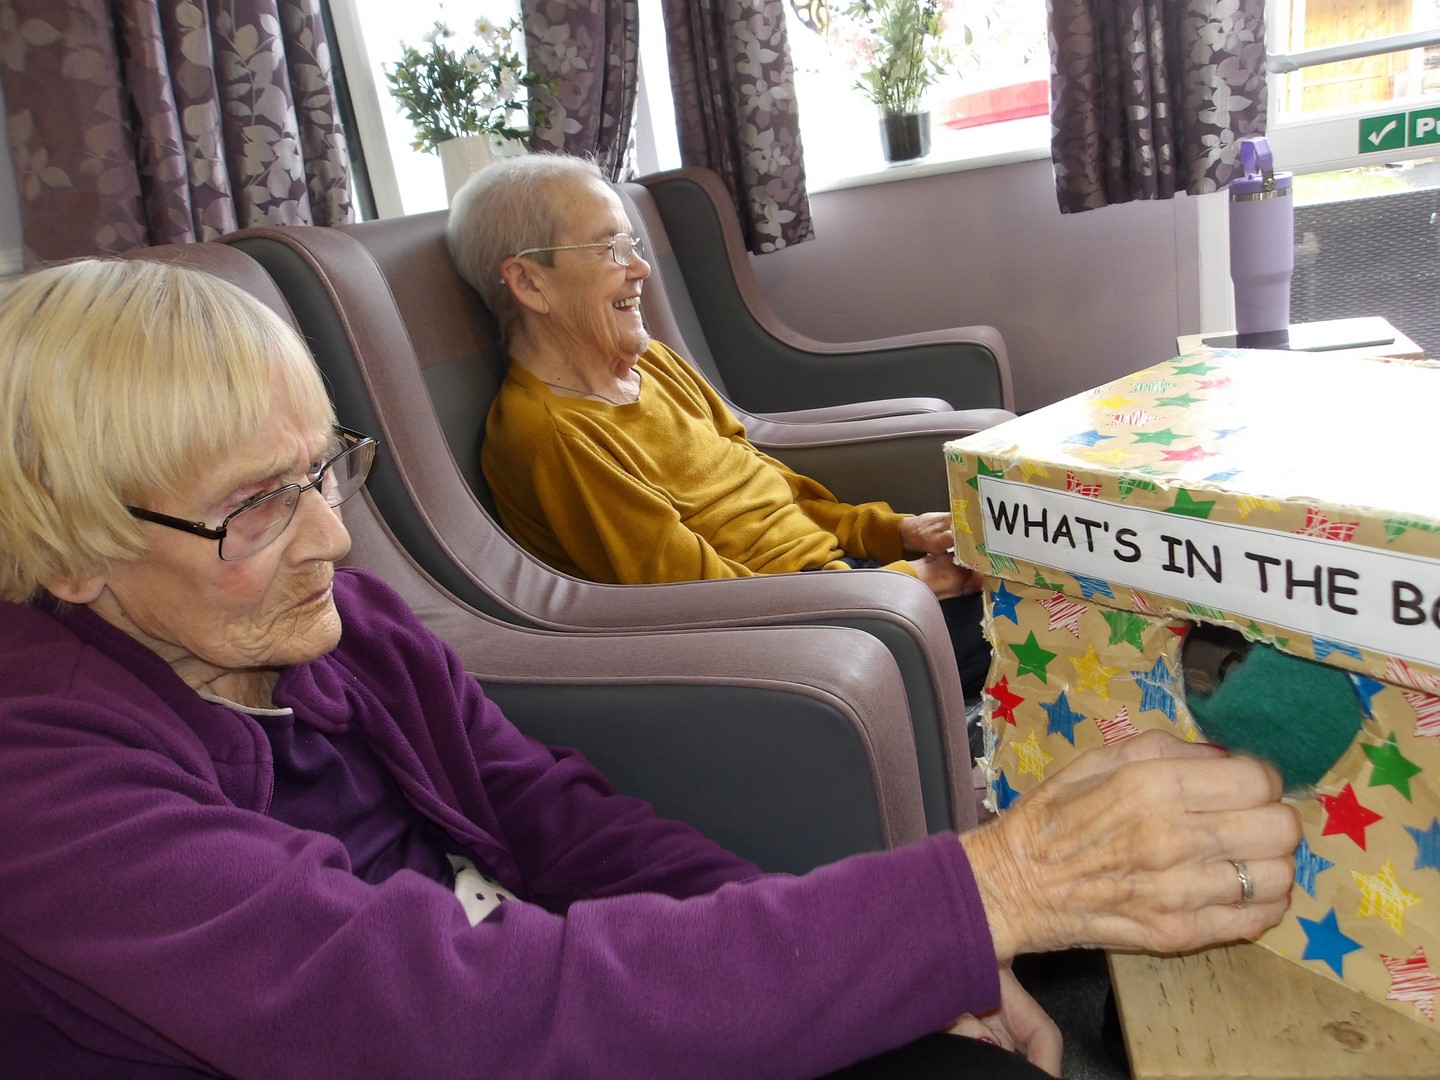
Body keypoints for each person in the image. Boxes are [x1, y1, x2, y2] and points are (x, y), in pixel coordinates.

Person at [0, 257, 1302, 1080]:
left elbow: (557, 820)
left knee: (1011, 1024)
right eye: (256, 507)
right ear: (72, 554)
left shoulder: (340, 628)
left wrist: (915, 965)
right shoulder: (40, 787)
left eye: (322, 471)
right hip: (478, 1034)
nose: (333, 539)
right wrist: (987, 891)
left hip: (543, 1008)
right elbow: (444, 1014)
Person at [447, 155, 990, 699]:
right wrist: (908, 583)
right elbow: (703, 601)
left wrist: (897, 531)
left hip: (846, 588)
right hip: (801, 641)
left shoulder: (653, 363)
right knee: (1034, 624)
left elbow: (775, 493)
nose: (641, 268)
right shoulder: (553, 437)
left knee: (1028, 567)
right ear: (529, 282)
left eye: (633, 245)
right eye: (611, 248)